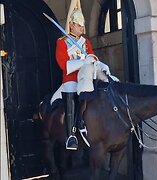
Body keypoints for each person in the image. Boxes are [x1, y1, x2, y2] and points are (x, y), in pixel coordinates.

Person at [53, 8, 111, 151]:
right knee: (72, 89)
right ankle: (71, 135)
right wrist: (82, 62)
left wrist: (98, 62)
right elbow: (63, 64)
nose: (82, 28)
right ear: (71, 25)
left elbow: (91, 55)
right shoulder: (62, 42)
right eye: (79, 25)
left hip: (87, 75)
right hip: (71, 77)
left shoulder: (85, 42)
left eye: (83, 25)